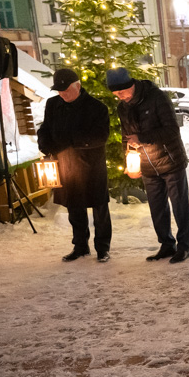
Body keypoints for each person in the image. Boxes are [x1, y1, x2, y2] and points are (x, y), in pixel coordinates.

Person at [108, 67, 189, 263]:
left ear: (132, 85)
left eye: (121, 92)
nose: (120, 97)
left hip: (170, 160)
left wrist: (143, 138)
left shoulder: (156, 98)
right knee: (157, 208)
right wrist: (128, 161)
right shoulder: (123, 107)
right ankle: (166, 244)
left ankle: (184, 246)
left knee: (180, 205)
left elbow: (171, 130)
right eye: (116, 94)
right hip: (146, 164)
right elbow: (126, 138)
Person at [37, 68, 112, 262]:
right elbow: (45, 128)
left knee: (99, 208)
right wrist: (45, 145)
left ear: (77, 86)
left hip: (91, 167)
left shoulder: (97, 107)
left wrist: (72, 142)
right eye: (59, 91)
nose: (62, 94)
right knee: (74, 208)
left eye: (66, 90)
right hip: (65, 165)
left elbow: (100, 136)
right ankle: (80, 246)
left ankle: (102, 248)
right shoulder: (53, 105)